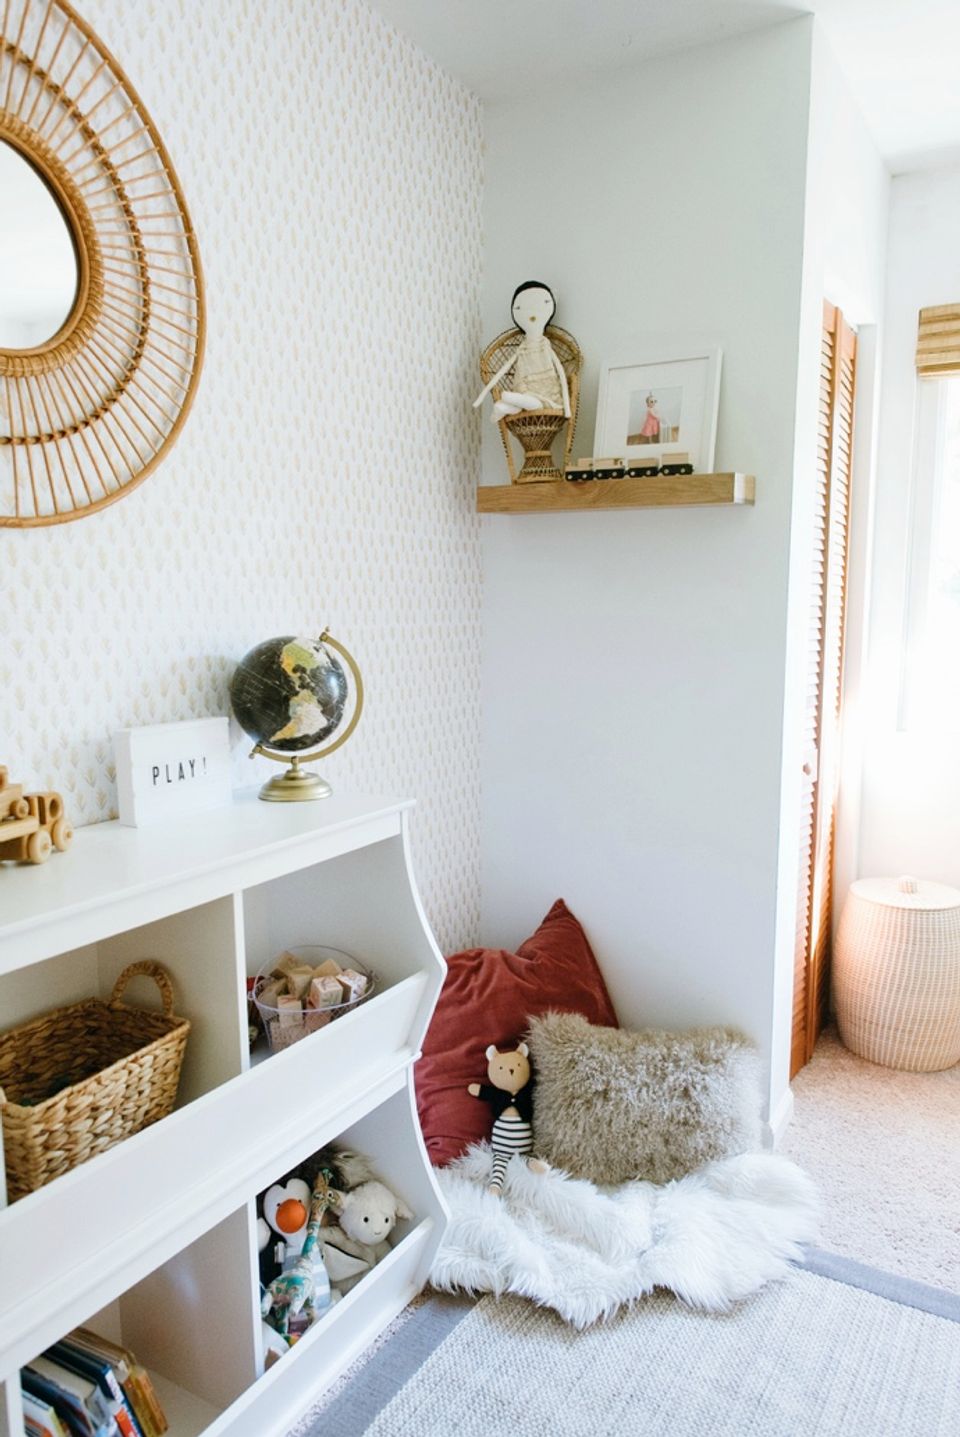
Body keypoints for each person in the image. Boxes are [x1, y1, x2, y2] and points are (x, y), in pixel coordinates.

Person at [473, 281, 571, 422]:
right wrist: (481, 396)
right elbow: (503, 369)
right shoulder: (524, 348)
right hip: (527, 389)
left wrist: (567, 408)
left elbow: (561, 373)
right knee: (533, 404)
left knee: (533, 404)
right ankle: (509, 402)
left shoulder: (544, 346)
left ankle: (505, 404)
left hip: (546, 393)